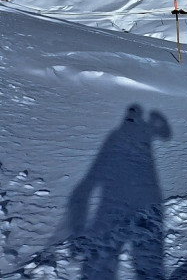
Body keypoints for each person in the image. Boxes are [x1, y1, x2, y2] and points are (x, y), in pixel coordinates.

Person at [61, 104, 172, 279]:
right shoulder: (123, 135)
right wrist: (158, 121)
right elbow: (166, 134)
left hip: (120, 198)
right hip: (123, 198)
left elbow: (165, 135)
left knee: (109, 259)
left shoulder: (121, 135)